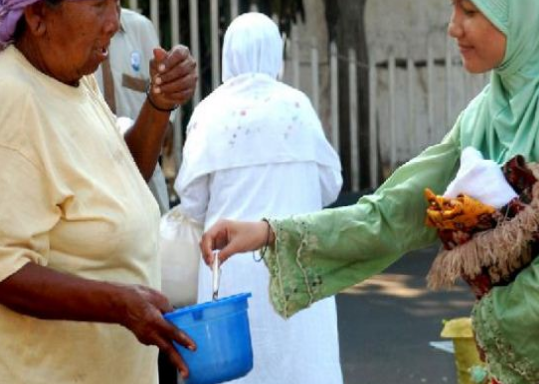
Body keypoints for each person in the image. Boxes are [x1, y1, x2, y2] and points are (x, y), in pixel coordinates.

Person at [201, 1, 539, 383]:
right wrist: (269, 232)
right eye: (454, 9)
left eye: (471, 12)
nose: (453, 27)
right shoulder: (481, 118)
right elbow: (393, 213)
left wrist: (500, 318)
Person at [0, 0, 198, 383]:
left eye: (116, 3)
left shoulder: (73, 79)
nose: (114, 22)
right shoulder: (12, 99)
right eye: (97, 5)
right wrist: (119, 304)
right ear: (38, 17)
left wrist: (159, 103)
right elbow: (5, 270)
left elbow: (120, 180)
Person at [175, 12, 344, 384]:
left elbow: (191, 201)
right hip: (298, 265)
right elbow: (330, 185)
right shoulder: (297, 107)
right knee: (301, 362)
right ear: (276, 54)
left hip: (232, 268)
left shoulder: (209, 112)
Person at [95, 7, 170, 214]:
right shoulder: (77, 32)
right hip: (96, 168)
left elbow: (161, 86)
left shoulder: (140, 28)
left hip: (142, 167)